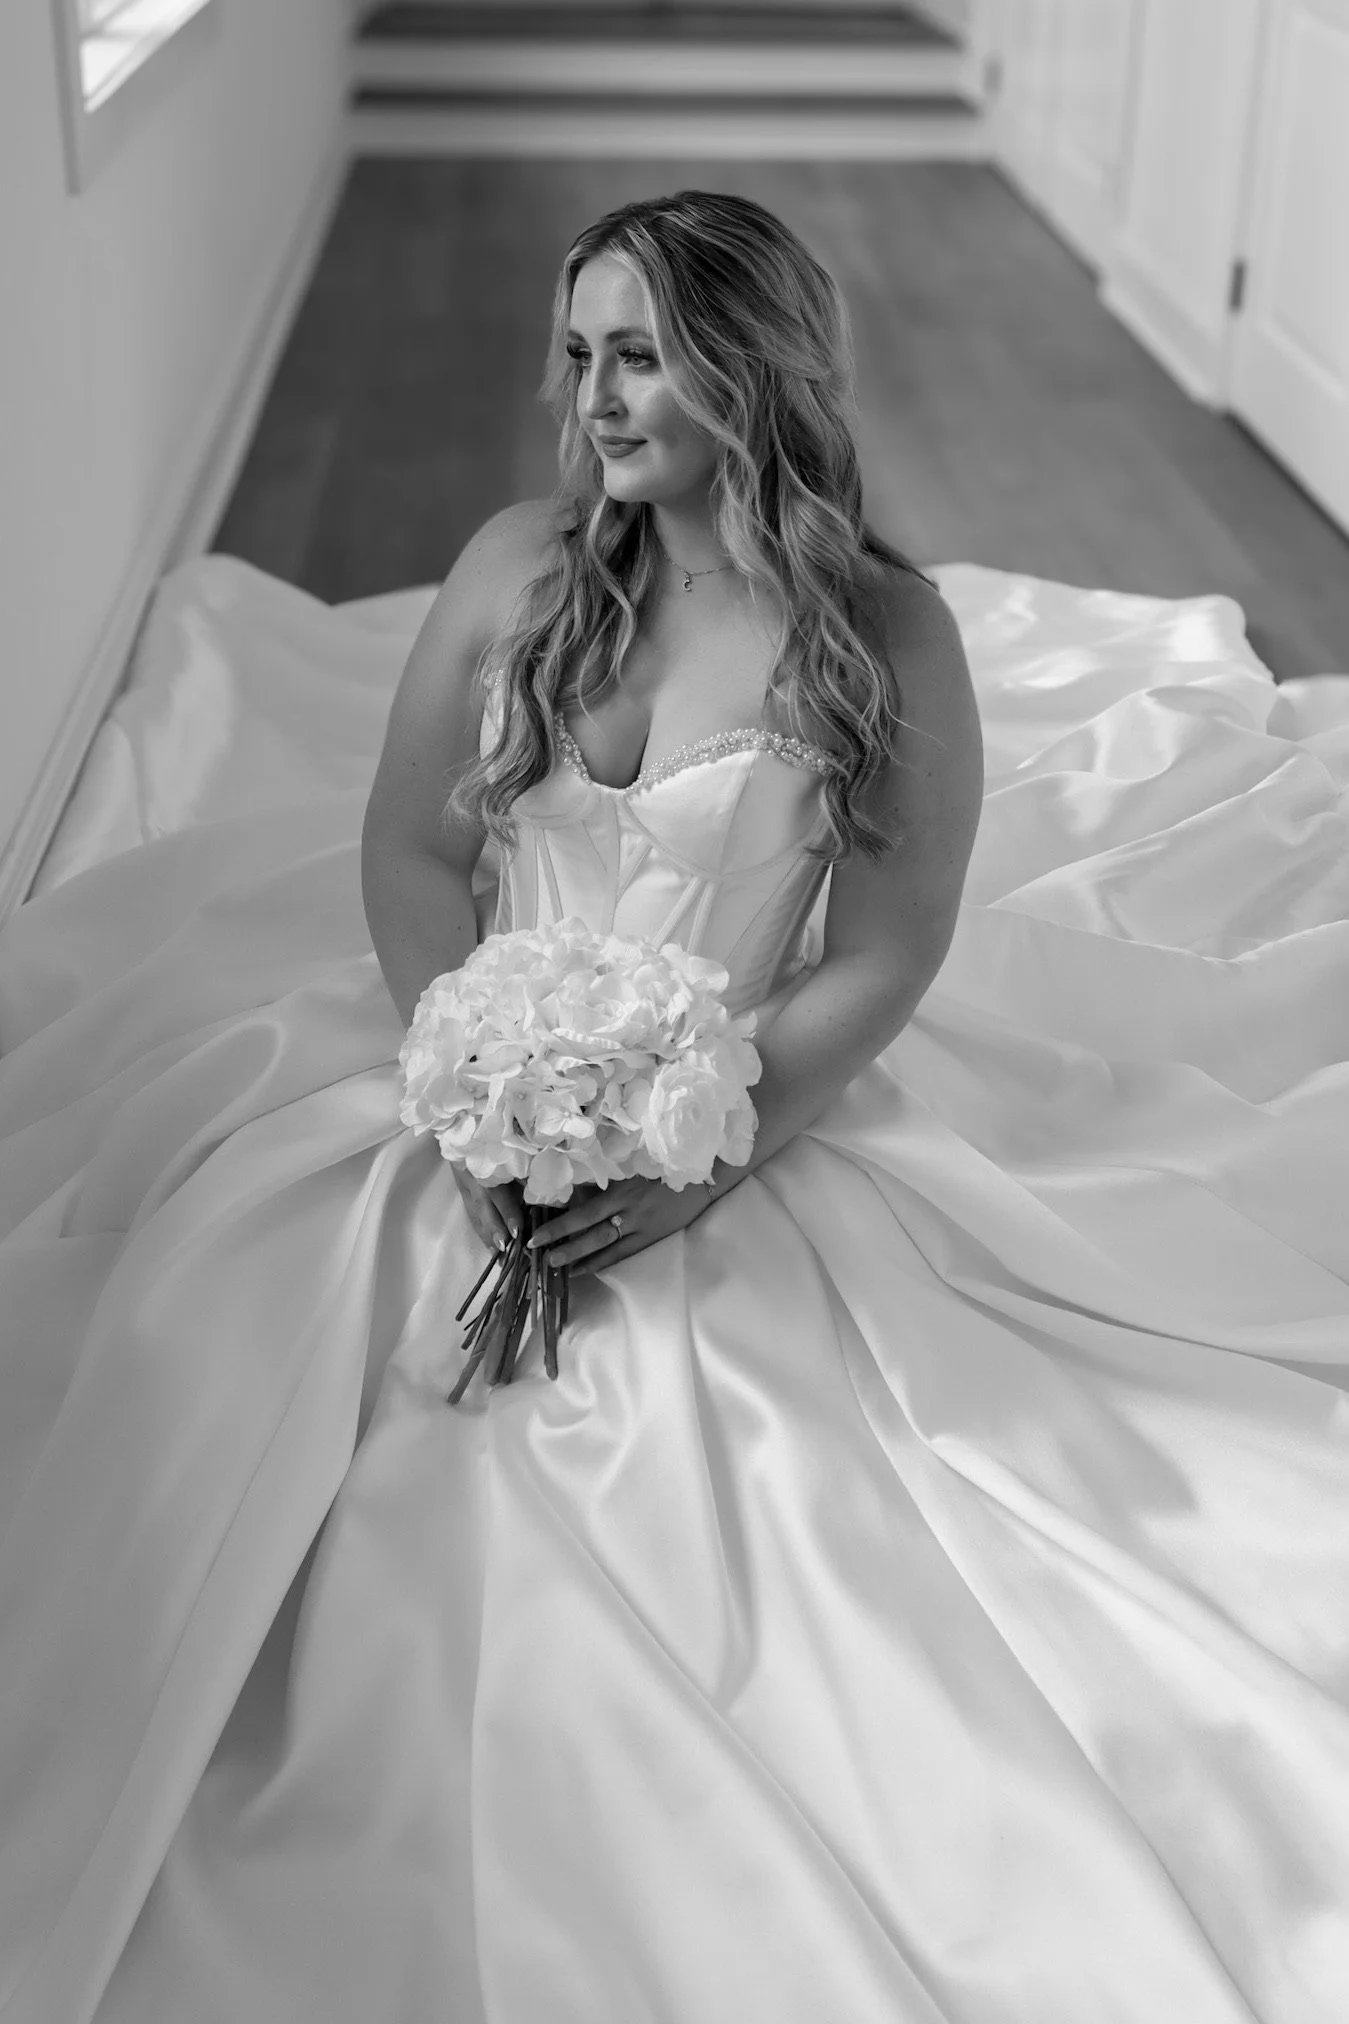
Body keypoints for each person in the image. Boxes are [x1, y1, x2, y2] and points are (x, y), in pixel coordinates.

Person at [0, 187, 1346, 2024]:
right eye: (579, 354)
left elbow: (885, 947)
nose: (595, 400)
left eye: (640, 355)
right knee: (238, 1344)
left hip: (745, 1095)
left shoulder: (884, 633)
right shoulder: (518, 569)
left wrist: (701, 1156)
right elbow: (410, 842)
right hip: (463, 1060)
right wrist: (468, 1077)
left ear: (753, 364)